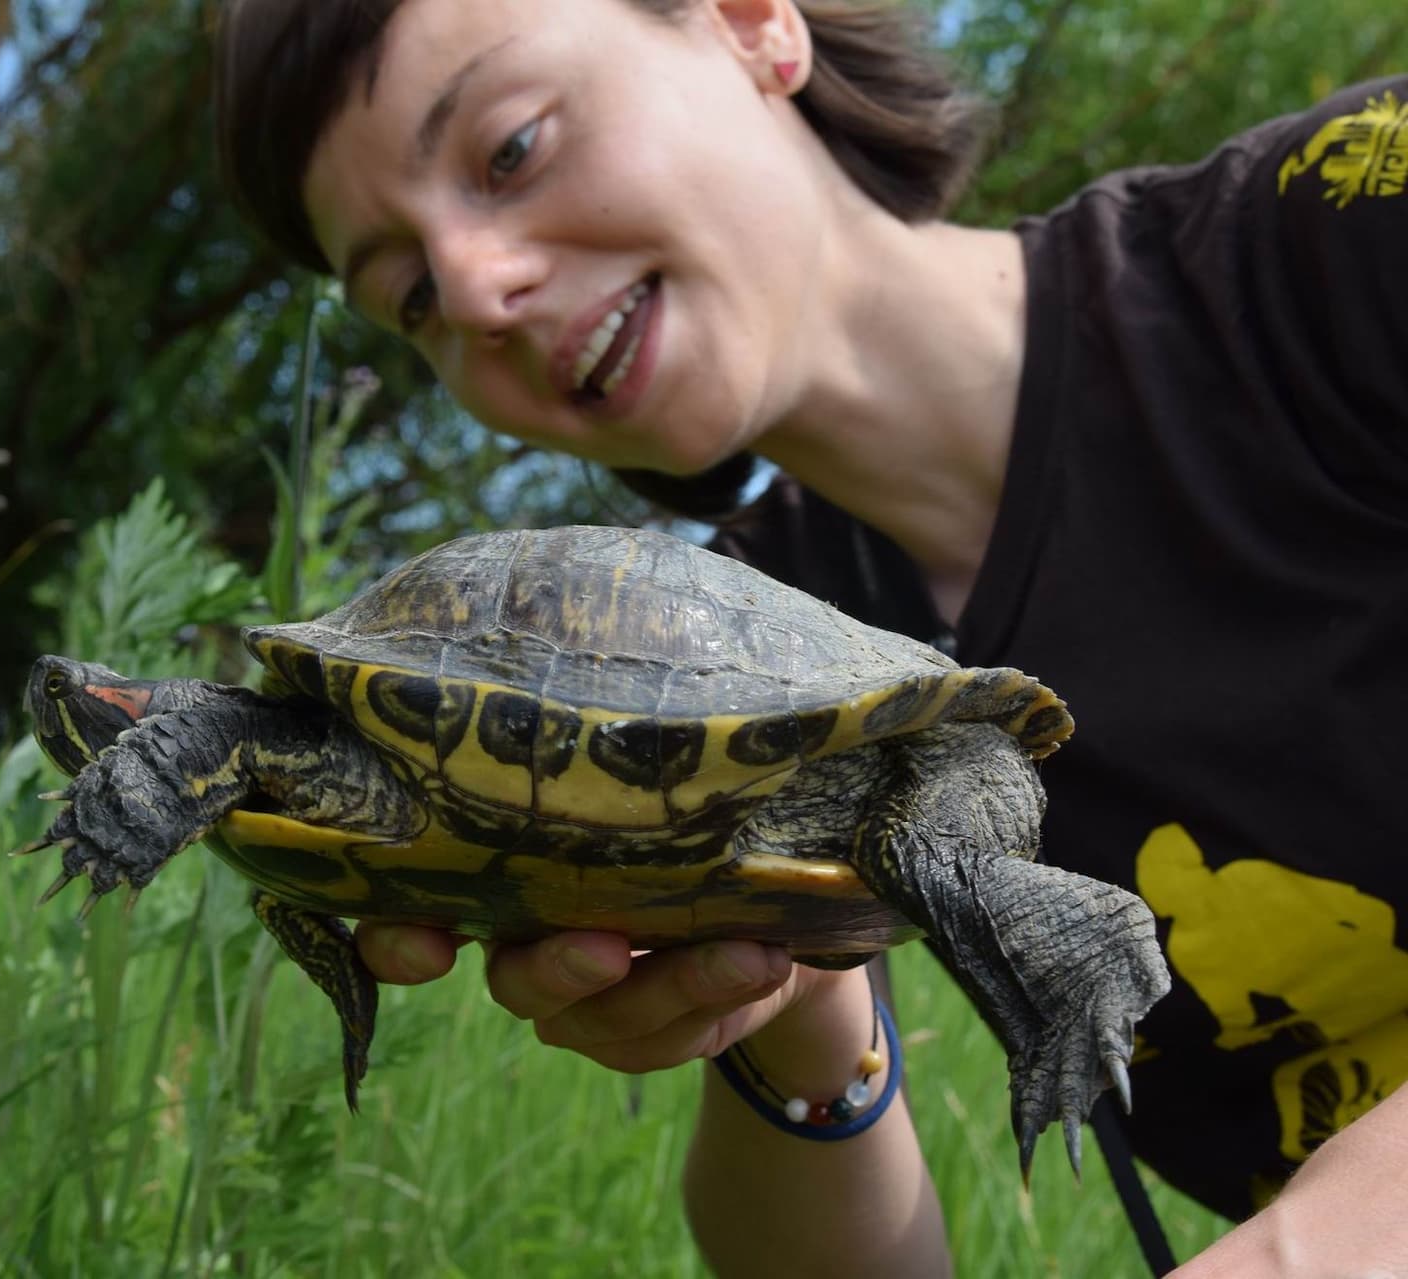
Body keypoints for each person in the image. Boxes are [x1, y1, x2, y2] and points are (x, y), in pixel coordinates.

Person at [212, 0, 1408, 1273]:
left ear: (751, 24)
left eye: (511, 149)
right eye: (407, 295)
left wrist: (1315, 1246)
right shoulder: (706, 662)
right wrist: (793, 1003)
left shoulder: (1339, 226)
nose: (474, 289)